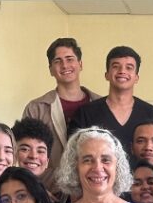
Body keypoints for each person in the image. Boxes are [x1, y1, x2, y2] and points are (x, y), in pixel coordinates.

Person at [22, 37, 102, 188]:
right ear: (51, 69)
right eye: (58, 61)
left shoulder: (101, 105)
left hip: (93, 189)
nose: (64, 65)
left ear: (80, 64)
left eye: (70, 59)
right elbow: (25, 155)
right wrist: (39, 188)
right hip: (50, 191)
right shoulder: (36, 108)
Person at [71, 46, 153, 151]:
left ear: (136, 77)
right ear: (107, 75)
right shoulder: (85, 114)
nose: (122, 71)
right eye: (116, 66)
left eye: (129, 67)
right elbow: (74, 155)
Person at [11, 118, 56, 198]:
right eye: (25, 149)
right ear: (12, 153)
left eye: (40, 151)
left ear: (47, 161)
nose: (33, 156)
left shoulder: (50, 199)